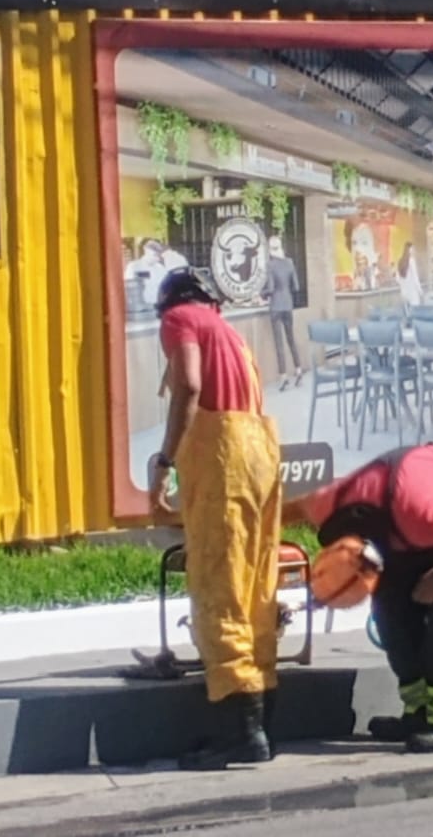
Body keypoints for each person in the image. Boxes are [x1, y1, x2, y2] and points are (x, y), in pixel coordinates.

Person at [148, 267, 284, 770]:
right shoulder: (231, 335)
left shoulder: (180, 319)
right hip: (262, 455)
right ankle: (262, 719)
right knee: (255, 586)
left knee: (218, 588)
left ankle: (239, 732)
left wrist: (166, 460)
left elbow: (188, 384)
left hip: (225, 460)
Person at [294, 441, 433, 753]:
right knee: (392, 614)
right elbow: (287, 509)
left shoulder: (419, 516)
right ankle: (420, 714)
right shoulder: (324, 505)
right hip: (402, 513)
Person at [264, 235, 304, 391]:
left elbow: (270, 288)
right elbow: (296, 286)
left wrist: (260, 294)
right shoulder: (290, 263)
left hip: (275, 306)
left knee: (279, 343)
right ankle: (298, 370)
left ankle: (283, 377)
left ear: (270, 249)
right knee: (291, 339)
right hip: (288, 305)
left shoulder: (270, 265)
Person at [397, 242, 425, 309]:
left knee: (407, 312)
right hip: (412, 292)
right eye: (413, 249)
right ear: (410, 250)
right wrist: (420, 291)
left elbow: (398, 278)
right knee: (415, 311)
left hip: (404, 292)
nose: (414, 251)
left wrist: (403, 286)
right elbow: (415, 278)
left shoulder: (400, 261)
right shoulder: (411, 261)